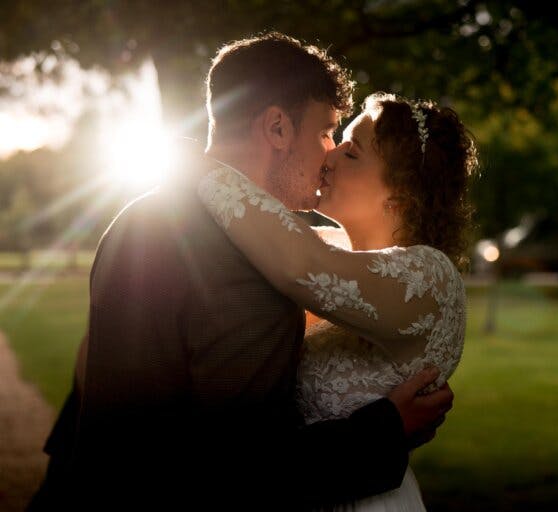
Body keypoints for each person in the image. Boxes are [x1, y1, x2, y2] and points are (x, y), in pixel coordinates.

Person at [29, 33, 453, 510]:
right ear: (276, 128)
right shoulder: (253, 261)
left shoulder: (139, 215)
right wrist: (385, 434)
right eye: (325, 132)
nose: (329, 153)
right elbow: (241, 470)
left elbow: (98, 369)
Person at [195, 91, 477, 510]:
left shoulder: (428, 277)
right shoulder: (327, 247)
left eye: (352, 152)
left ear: (399, 196)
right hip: (299, 486)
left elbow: (300, 267)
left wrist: (199, 169)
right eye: (337, 139)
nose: (329, 155)